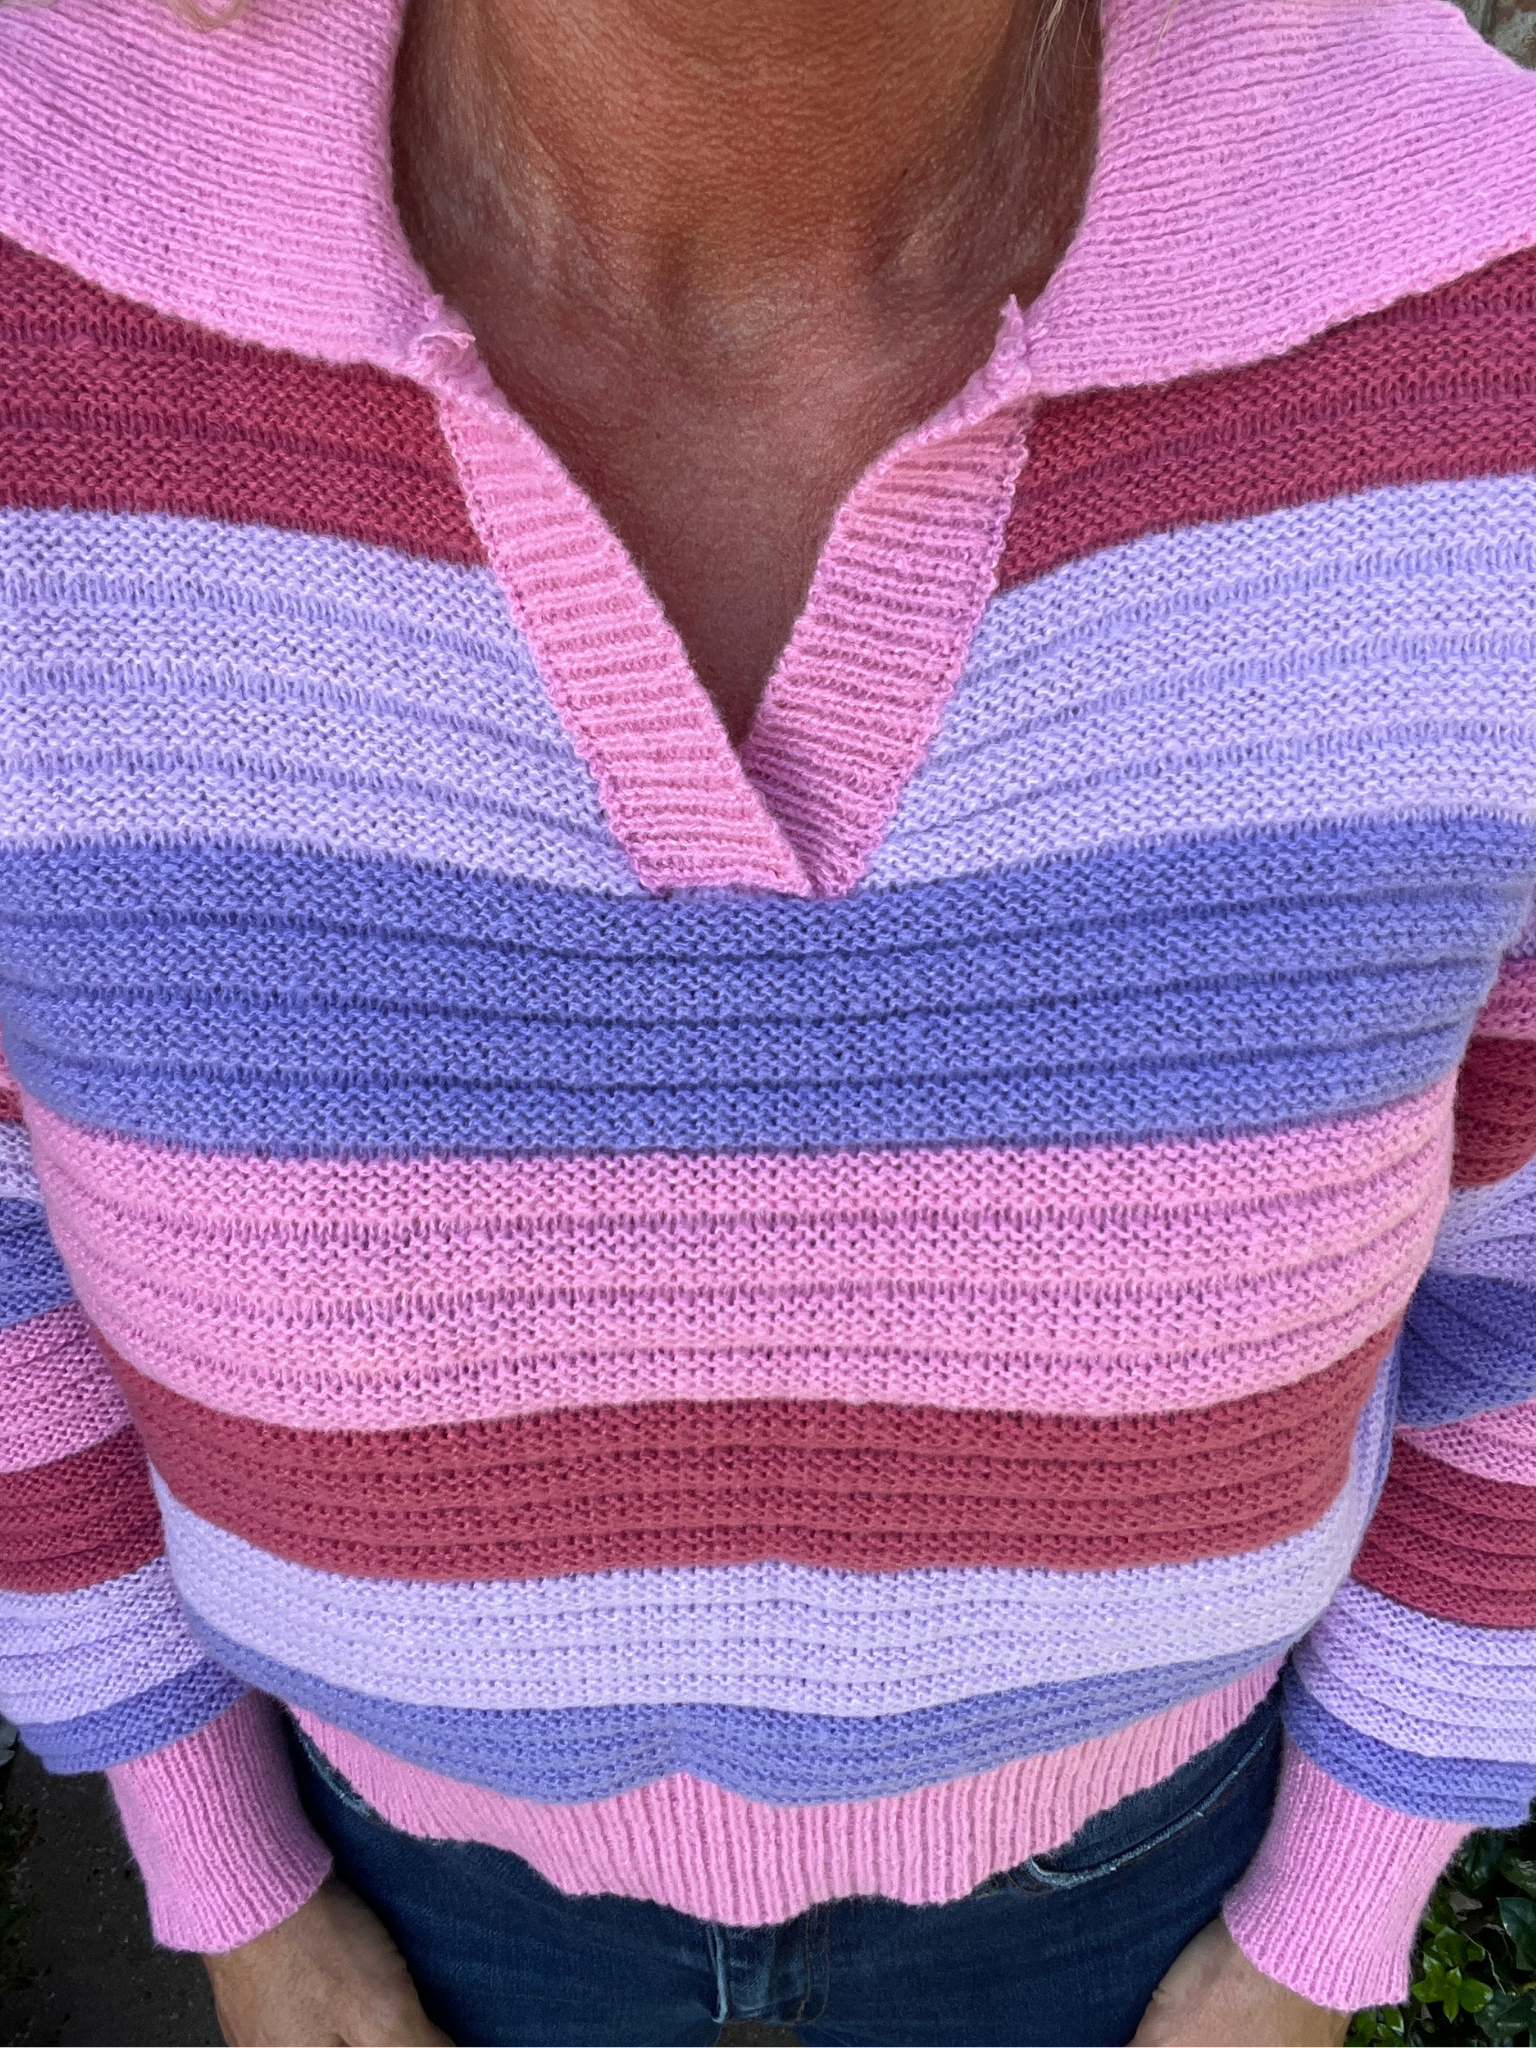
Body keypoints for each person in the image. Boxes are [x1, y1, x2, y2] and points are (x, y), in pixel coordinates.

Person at [0, 0, 1534, 2040]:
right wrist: (225, 1869)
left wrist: (1327, 1925)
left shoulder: (1483, 319)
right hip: (408, 1887)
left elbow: (1522, 1270)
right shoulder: (46, 303)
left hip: (1137, 1907)